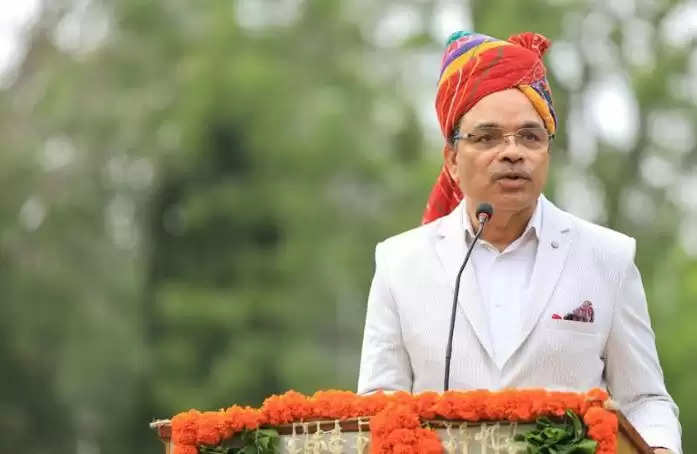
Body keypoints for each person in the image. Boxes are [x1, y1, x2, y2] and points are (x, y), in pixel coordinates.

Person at [357, 31, 682, 454]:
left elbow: (644, 400)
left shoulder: (609, 256)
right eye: (487, 137)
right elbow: (376, 407)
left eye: (530, 137)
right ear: (452, 160)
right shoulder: (400, 262)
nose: (512, 153)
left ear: (547, 151)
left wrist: (658, 448)